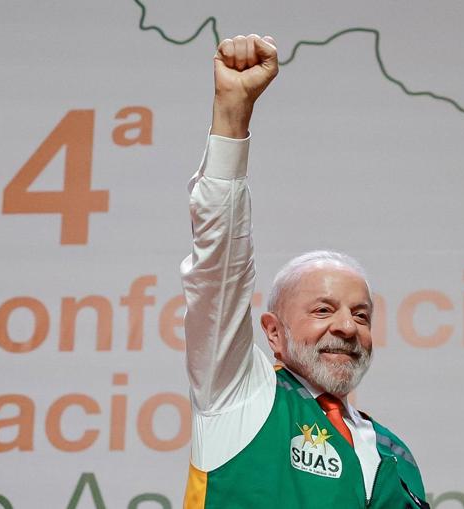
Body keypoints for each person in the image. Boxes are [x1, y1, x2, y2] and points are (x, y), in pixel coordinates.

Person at [180, 33, 429, 509]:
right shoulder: (239, 393)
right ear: (272, 332)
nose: (346, 327)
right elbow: (220, 268)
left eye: (361, 316)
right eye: (323, 309)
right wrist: (232, 115)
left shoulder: (396, 456)